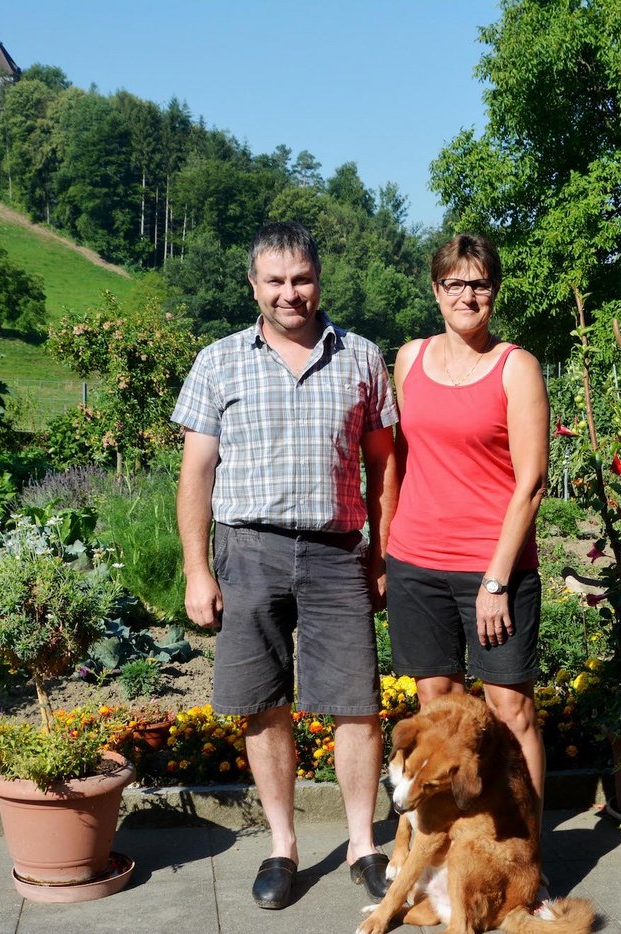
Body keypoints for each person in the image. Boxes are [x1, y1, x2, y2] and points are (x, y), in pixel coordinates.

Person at [172, 221, 397, 910]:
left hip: (337, 554)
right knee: (263, 703)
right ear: (254, 286)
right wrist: (196, 570)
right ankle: (283, 846)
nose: (289, 293)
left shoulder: (362, 357)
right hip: (249, 551)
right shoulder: (218, 361)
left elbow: (384, 465)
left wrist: (382, 554)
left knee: (356, 705)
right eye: (275, 281)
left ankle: (363, 845)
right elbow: (196, 475)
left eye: (300, 278)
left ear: (318, 280)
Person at [385, 232, 550, 811]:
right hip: (417, 562)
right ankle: (454, 848)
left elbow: (530, 484)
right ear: (436, 291)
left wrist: (496, 581)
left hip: (493, 568)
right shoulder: (409, 359)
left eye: (479, 284)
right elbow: (397, 463)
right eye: (455, 283)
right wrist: (385, 553)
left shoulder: (516, 368)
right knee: (439, 706)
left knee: (510, 711)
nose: (467, 295)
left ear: (494, 293)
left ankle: (527, 854)